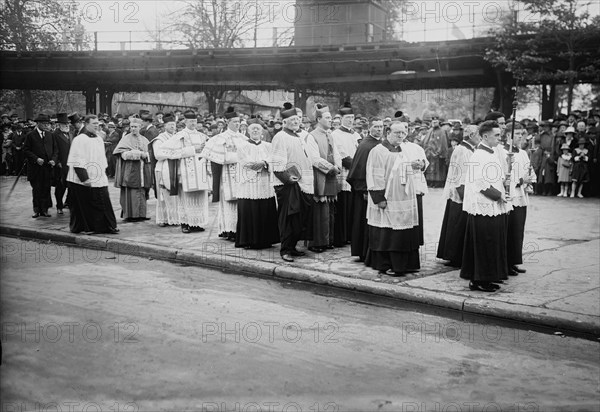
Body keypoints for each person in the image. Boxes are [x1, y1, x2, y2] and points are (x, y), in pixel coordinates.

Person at [460, 120, 512, 292]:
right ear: (485, 136)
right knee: (484, 243)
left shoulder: (491, 153)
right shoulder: (478, 155)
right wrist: (498, 196)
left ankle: (488, 276)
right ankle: (479, 279)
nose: (500, 137)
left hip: (493, 203)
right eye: (496, 135)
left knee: (491, 242)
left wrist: (504, 181)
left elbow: (492, 177)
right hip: (483, 204)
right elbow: (480, 182)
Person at [365, 122, 420, 276]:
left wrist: (415, 166)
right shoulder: (379, 151)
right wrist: (379, 197)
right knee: (388, 230)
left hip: (404, 196)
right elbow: (374, 175)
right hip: (388, 197)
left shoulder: (403, 150)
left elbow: (402, 169)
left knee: (403, 230)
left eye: (403, 133)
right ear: (388, 132)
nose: (401, 136)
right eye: (397, 133)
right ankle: (387, 263)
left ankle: (405, 263)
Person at [271, 103, 314, 262]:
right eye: (292, 120)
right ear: (285, 122)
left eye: (297, 119)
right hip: (288, 185)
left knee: (299, 219)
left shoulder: (299, 136)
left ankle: (292, 246)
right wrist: (289, 179)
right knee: (289, 218)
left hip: (301, 183)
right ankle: (285, 250)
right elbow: (276, 164)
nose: (296, 122)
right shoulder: (280, 137)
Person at [157, 109, 209, 233]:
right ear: (185, 121)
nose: (193, 123)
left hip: (200, 172)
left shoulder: (202, 135)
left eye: (195, 121)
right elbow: (162, 152)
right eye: (190, 121)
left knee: (199, 199)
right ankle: (185, 223)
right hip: (185, 172)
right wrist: (191, 149)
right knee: (185, 199)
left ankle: (196, 223)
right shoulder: (180, 136)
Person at [66, 115, 118, 234]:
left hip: (98, 176)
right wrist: (84, 178)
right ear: (86, 124)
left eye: (98, 124)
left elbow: (101, 158)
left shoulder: (99, 138)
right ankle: (88, 227)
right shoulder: (79, 139)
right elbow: (77, 159)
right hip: (83, 178)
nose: (96, 126)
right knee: (86, 204)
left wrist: (103, 173)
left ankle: (107, 226)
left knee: (103, 200)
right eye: (94, 123)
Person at [437, 125, 480, 267]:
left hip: (466, 191)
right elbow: (460, 175)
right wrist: (464, 196)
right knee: (457, 224)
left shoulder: (470, 149)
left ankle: (458, 254)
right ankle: (454, 256)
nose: (480, 138)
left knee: (459, 224)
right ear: (472, 135)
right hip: (461, 192)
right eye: (479, 135)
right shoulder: (462, 150)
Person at [201, 106, 246, 241]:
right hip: (227, 174)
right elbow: (217, 157)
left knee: (239, 203)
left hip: (240, 174)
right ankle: (228, 230)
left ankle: (238, 229)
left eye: (239, 122)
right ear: (227, 122)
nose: (237, 124)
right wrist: (236, 157)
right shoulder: (220, 138)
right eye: (234, 122)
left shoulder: (243, 138)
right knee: (228, 203)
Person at [235, 118, 279, 249]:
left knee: (264, 209)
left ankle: (266, 240)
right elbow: (246, 162)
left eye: (258, 129)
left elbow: (273, 159)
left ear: (262, 132)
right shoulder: (242, 146)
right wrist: (262, 163)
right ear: (248, 131)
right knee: (250, 210)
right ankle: (248, 241)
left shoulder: (268, 146)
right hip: (248, 183)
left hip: (264, 183)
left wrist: (265, 162)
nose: (255, 130)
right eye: (252, 128)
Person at [346, 117, 383, 262]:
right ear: (369, 128)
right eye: (376, 127)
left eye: (381, 127)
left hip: (372, 189)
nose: (379, 129)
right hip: (365, 191)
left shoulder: (377, 144)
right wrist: (364, 190)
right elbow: (359, 171)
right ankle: (363, 252)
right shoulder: (366, 146)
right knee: (363, 222)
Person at [307, 104, 342, 253]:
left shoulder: (330, 135)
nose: (331, 120)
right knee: (320, 211)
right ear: (319, 119)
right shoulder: (311, 136)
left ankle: (328, 240)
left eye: (331, 117)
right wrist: (330, 168)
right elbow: (314, 158)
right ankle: (317, 242)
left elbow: (337, 153)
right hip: (320, 176)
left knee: (330, 211)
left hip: (332, 175)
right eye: (328, 118)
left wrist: (338, 166)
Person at [506, 122, 536, 276]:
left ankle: (513, 261)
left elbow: (529, 172)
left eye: (521, 134)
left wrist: (529, 179)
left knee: (518, 231)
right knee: (508, 231)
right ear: (508, 136)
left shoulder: (523, 153)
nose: (520, 137)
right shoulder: (504, 153)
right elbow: (505, 178)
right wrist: (521, 181)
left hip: (521, 197)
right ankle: (505, 263)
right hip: (510, 197)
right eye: (516, 134)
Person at [331, 102, 360, 246]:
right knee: (343, 205)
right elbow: (342, 155)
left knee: (353, 205)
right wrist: (358, 166)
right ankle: (340, 237)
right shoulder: (336, 134)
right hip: (344, 173)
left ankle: (351, 235)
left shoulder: (357, 134)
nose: (350, 120)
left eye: (352, 117)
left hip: (356, 173)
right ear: (341, 118)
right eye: (347, 117)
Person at [113, 118, 153, 222]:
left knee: (142, 191)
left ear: (140, 127)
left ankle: (141, 214)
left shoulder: (144, 139)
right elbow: (122, 154)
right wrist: (138, 154)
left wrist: (146, 155)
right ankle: (131, 215)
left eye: (135, 127)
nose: (133, 129)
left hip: (143, 170)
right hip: (130, 169)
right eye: (132, 127)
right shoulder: (126, 139)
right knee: (131, 191)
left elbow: (151, 154)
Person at [398, 122, 429, 246]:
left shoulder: (416, 147)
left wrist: (422, 164)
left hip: (416, 183)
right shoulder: (393, 147)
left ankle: (415, 240)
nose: (403, 132)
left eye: (406, 129)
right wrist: (409, 165)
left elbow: (425, 161)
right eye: (400, 130)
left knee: (416, 212)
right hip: (402, 184)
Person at [23, 114, 58, 218]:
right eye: (43, 123)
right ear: (37, 123)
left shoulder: (50, 135)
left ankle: (45, 209)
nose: (46, 125)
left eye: (47, 123)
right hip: (35, 168)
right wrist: (36, 159)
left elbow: (56, 150)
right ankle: (36, 210)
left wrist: (54, 160)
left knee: (46, 188)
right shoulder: (30, 135)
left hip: (47, 168)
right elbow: (26, 150)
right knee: (37, 189)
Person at [150, 114, 180, 226]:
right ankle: (163, 219)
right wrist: (174, 153)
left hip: (175, 168)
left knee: (175, 195)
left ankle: (174, 218)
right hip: (162, 168)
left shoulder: (177, 137)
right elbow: (158, 155)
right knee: (163, 194)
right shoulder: (159, 139)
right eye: (170, 124)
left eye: (174, 124)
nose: (173, 127)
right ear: (164, 126)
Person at [52, 113, 72, 214]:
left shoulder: (70, 133)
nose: (67, 125)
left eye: (67, 123)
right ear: (59, 125)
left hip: (70, 164)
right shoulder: (55, 134)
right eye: (64, 124)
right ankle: (59, 206)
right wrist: (58, 162)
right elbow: (54, 150)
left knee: (70, 185)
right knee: (60, 187)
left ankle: (67, 203)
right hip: (61, 164)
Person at [421, 116, 449, 188]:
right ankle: (430, 182)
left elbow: (443, 143)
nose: (434, 123)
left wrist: (439, 152)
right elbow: (425, 141)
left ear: (439, 122)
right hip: (429, 153)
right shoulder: (430, 130)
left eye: (436, 122)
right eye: (433, 122)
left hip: (438, 154)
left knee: (438, 169)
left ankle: (438, 183)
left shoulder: (442, 131)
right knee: (430, 168)